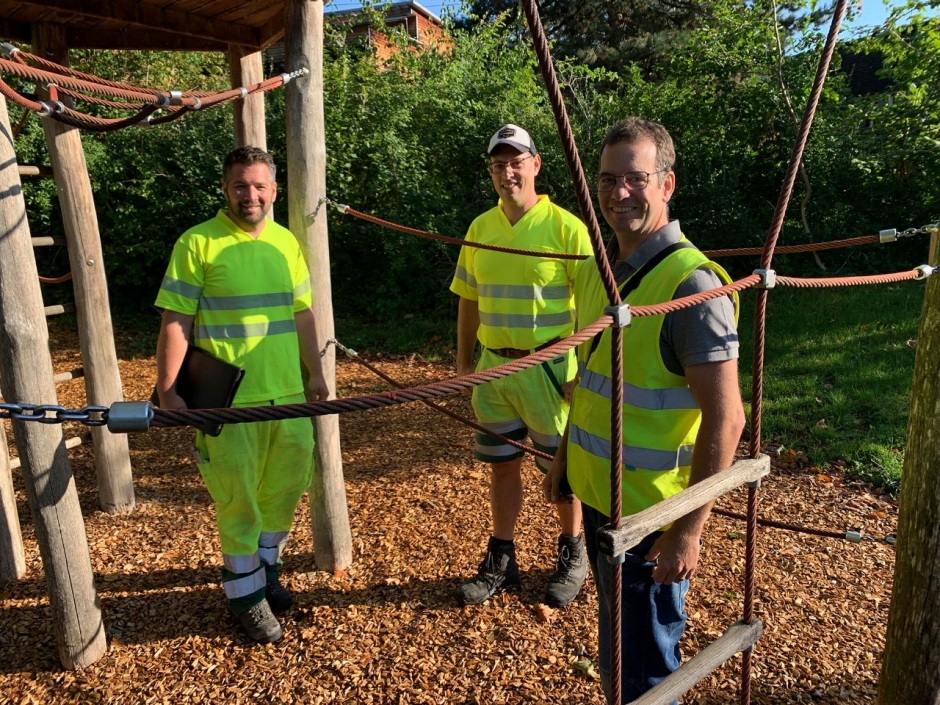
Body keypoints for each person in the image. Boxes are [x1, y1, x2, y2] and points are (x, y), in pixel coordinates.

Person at [544, 118, 745, 701]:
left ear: (666, 183)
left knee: (647, 671)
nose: (619, 192)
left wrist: (688, 531)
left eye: (635, 178)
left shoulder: (691, 287)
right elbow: (593, 382)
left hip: (651, 521)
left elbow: (728, 418)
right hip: (601, 500)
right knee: (619, 649)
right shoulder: (604, 272)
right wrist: (565, 458)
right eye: (608, 179)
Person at [155, 146, 328, 644]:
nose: (249, 195)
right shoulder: (198, 242)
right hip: (228, 402)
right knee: (238, 501)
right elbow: (176, 319)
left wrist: (315, 373)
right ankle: (246, 597)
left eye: (258, 186)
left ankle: (265, 571)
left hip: (288, 395)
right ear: (225, 189)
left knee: (285, 490)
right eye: (239, 185)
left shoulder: (286, 242)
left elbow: (301, 312)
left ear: (273, 190)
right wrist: (169, 390)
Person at [450, 124, 593, 607]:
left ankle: (573, 553)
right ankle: (502, 560)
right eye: (498, 165)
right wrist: (464, 362)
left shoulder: (567, 228)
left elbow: (593, 305)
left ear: (536, 164)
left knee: (563, 472)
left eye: (516, 162)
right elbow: (468, 298)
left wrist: (583, 371)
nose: (507, 172)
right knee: (502, 467)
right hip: (494, 370)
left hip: (551, 369)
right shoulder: (480, 228)